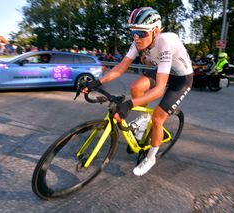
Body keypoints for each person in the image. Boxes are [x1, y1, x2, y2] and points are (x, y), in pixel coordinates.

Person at [81, 7, 193, 176]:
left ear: (155, 31)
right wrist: (96, 82)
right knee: (135, 87)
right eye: (133, 32)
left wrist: (128, 105)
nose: (136, 38)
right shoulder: (138, 41)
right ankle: (143, 118)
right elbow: (120, 68)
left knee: (157, 118)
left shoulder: (166, 42)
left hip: (181, 79)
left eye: (141, 33)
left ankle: (151, 157)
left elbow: (159, 89)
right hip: (164, 71)